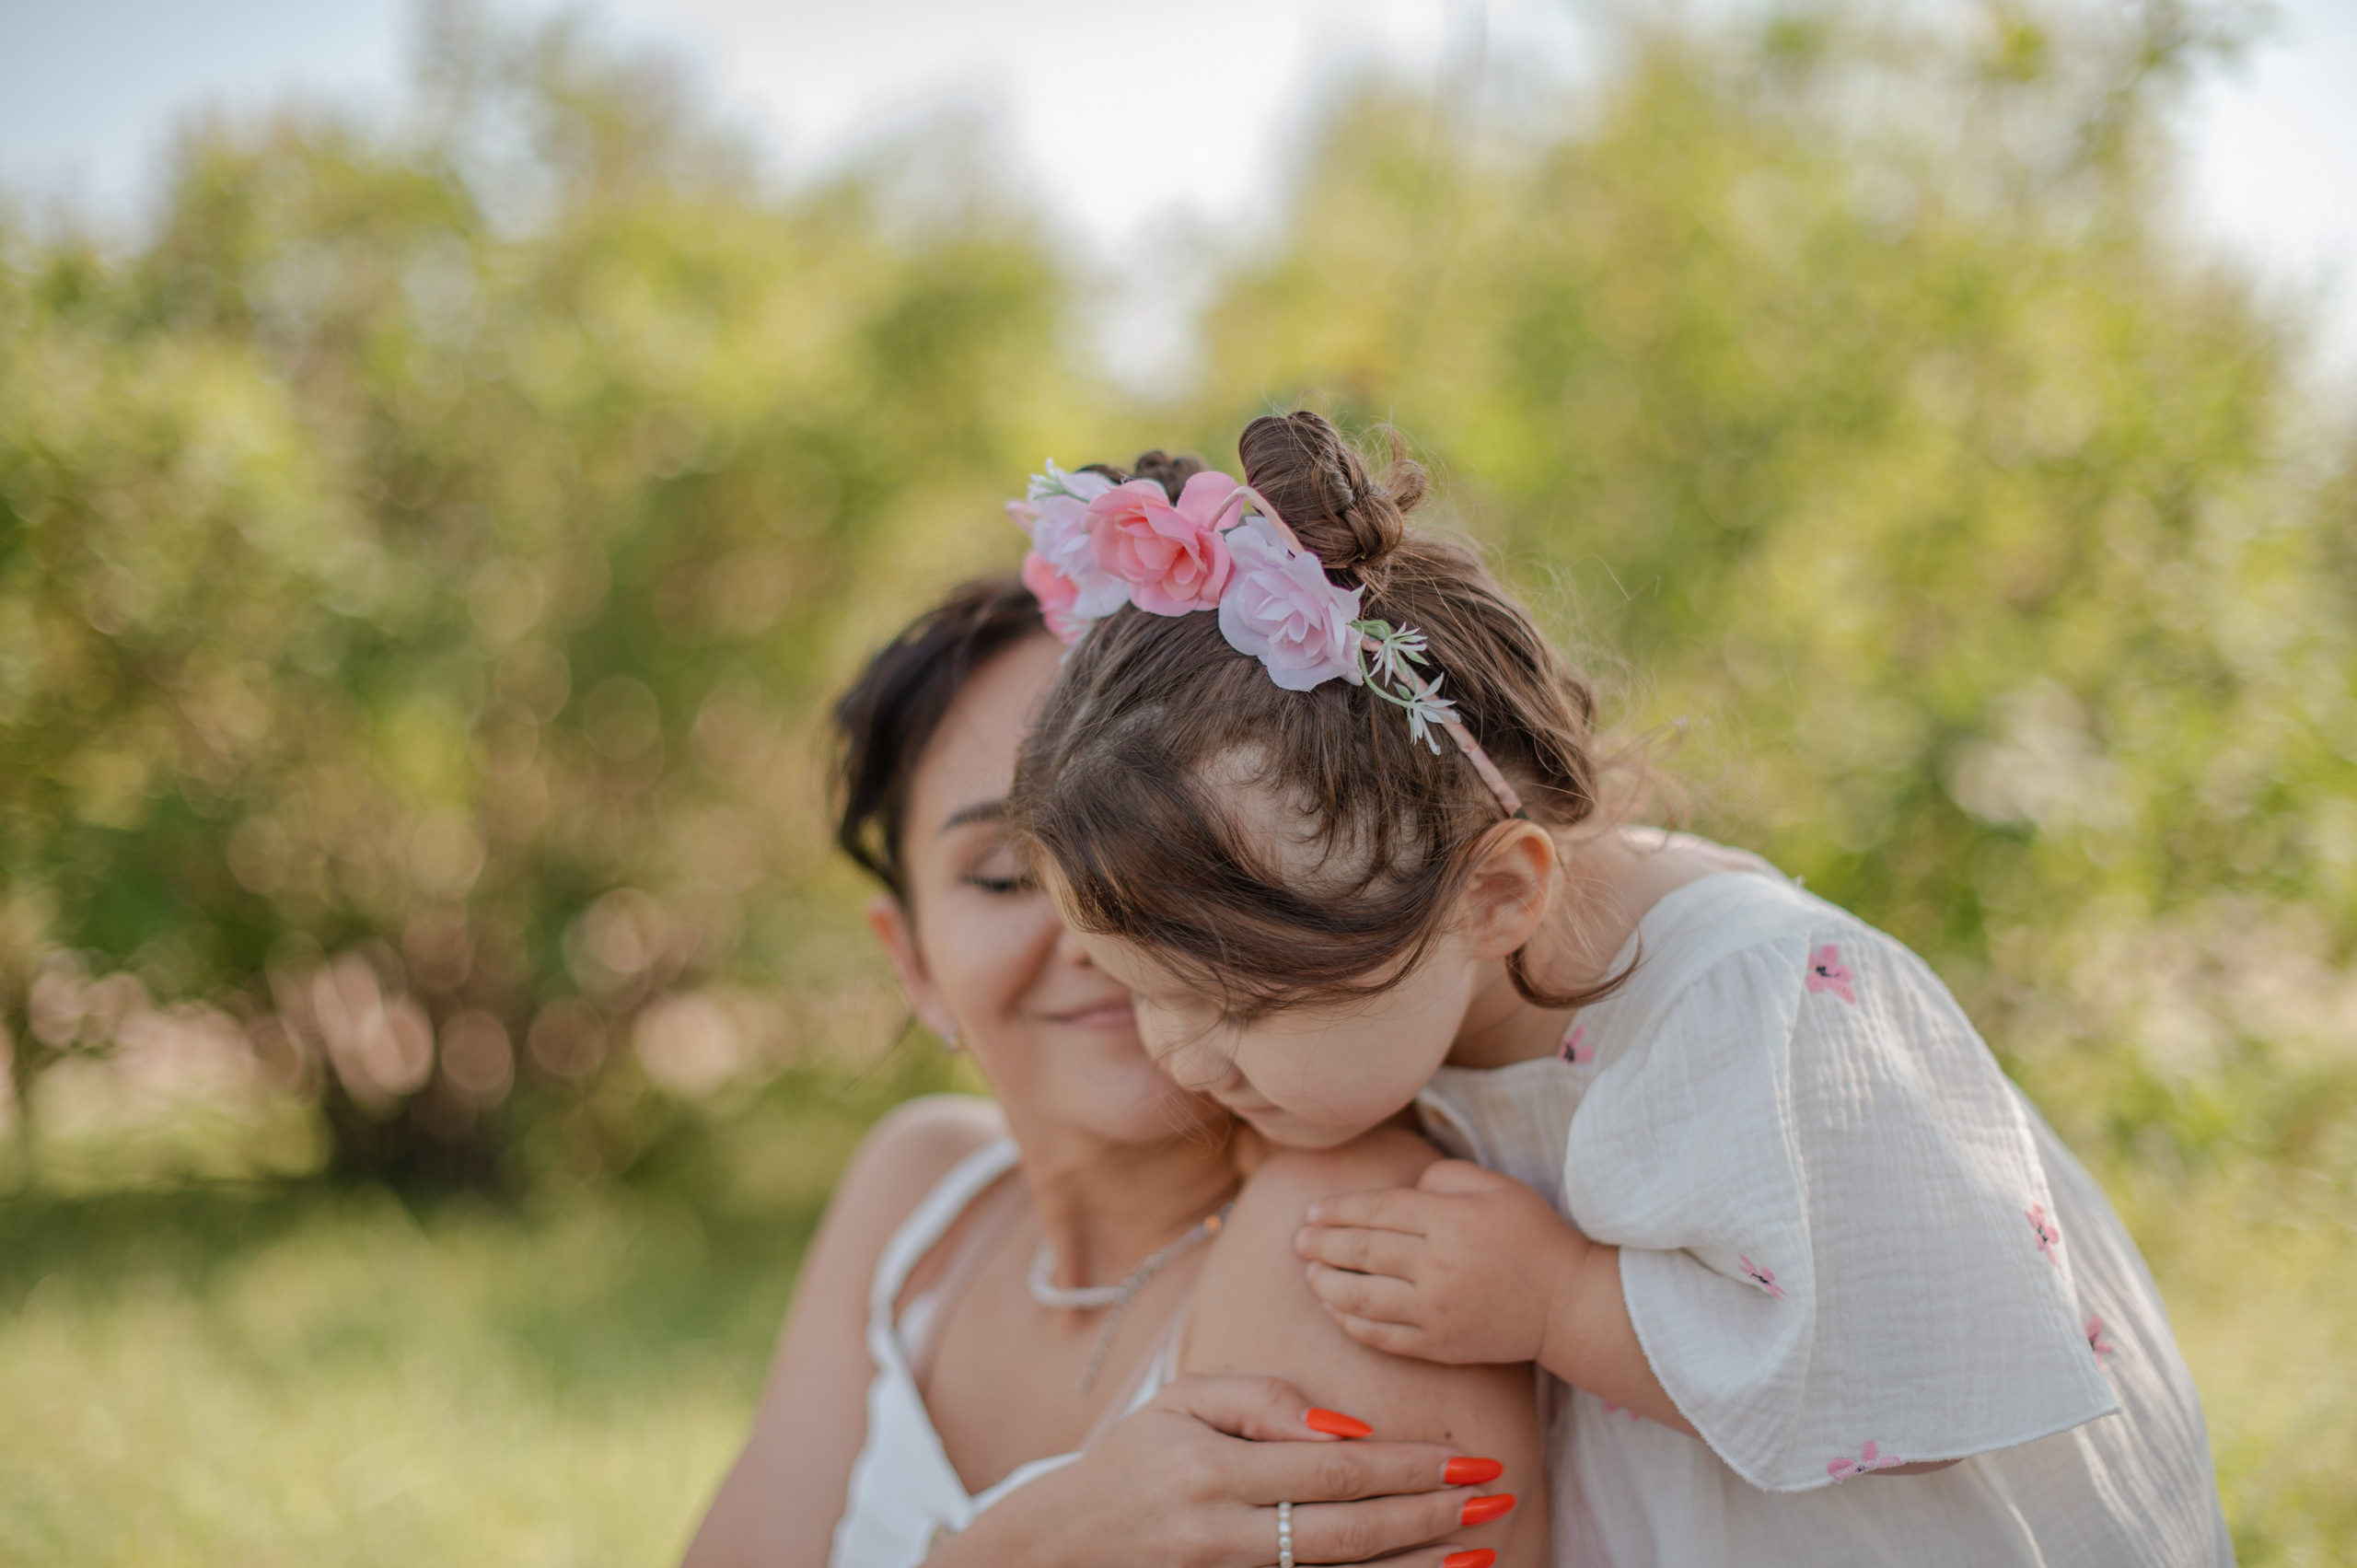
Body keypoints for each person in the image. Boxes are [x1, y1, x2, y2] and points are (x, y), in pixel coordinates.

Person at [1005, 411, 2235, 1566]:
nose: (1179, 1052)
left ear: (1493, 896)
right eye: (1133, 986)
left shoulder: (1755, 1000)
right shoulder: (1421, 984)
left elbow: (1915, 1343)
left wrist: (1562, 1297)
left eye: (1241, 1006)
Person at [681, 525, 1545, 1566]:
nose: (1109, 936)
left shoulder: (1354, 1251)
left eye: (1180, 854)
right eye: (1006, 871)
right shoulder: (918, 1198)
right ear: (910, 960)